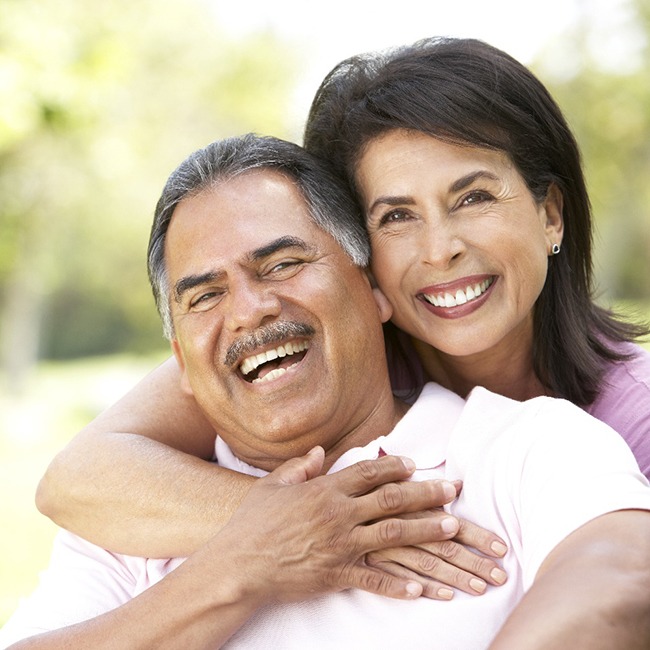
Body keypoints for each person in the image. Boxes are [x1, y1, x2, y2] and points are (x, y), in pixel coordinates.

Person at [35, 37, 650, 589]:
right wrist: (324, 526)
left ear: (550, 215)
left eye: (474, 197)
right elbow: (80, 477)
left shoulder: (625, 417)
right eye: (397, 216)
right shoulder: (327, 350)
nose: (441, 249)